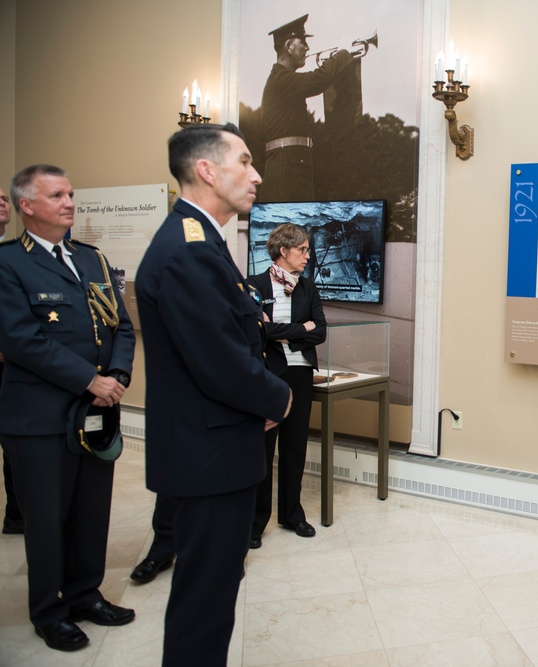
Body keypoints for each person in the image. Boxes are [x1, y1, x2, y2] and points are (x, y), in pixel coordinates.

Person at [136, 123, 291, 666]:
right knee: (204, 602)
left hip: (215, 449)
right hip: (209, 456)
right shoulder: (187, 250)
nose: (257, 175)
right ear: (206, 169)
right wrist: (281, 401)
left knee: (212, 593)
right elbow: (222, 361)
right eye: (245, 161)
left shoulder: (202, 241)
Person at [0, 165, 135, 651]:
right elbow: (21, 340)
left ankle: (84, 594)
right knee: (46, 519)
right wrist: (89, 380)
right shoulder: (8, 263)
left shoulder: (92, 259)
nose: (70, 202)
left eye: (72, 193)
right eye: (57, 195)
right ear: (27, 206)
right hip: (38, 418)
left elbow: (120, 325)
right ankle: (49, 611)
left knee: (90, 511)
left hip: (95, 413)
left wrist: (116, 378)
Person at [247, 223, 326, 548]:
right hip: (268, 375)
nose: (308, 256)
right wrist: (298, 328)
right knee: (263, 451)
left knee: (295, 448)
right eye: (303, 250)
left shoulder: (308, 287)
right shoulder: (254, 285)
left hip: (301, 374)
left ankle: (292, 513)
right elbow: (255, 331)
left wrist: (279, 330)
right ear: (284, 251)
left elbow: (319, 331)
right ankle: (255, 522)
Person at [258, 14, 356, 202]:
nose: (307, 48)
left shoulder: (284, 80)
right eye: (302, 42)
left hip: (292, 164)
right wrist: (343, 52)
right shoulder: (281, 79)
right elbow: (319, 80)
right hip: (286, 167)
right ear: (289, 46)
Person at [0, 185, 25, 536]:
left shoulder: (17, 256)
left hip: (15, 366)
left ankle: (17, 514)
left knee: (17, 445)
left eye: (3, 198)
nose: (1, 204)